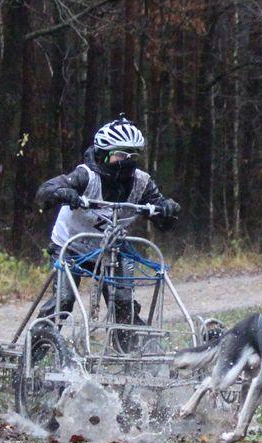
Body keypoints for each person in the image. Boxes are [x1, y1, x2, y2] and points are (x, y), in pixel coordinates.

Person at [34, 116, 181, 328]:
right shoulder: (86, 176)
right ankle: (35, 349)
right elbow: (45, 192)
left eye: (132, 154)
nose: (127, 160)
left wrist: (167, 209)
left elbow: (164, 219)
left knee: (124, 306)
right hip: (70, 246)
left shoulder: (142, 182)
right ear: (103, 154)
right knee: (63, 301)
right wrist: (63, 193)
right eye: (120, 154)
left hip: (111, 249)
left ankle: (128, 354)